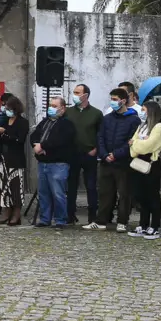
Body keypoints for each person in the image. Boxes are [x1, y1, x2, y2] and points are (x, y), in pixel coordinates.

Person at [96, 87, 140, 233]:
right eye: (111, 99)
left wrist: (116, 154)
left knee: (124, 193)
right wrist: (104, 154)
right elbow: (100, 137)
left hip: (123, 163)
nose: (112, 102)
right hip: (106, 161)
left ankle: (122, 221)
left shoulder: (133, 119)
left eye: (115, 100)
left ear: (123, 100)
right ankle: (101, 220)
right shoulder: (107, 118)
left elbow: (131, 141)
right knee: (105, 192)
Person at [30, 97, 77, 230]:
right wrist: (36, 146)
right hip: (43, 162)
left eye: (55, 106)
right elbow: (34, 135)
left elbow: (60, 141)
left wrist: (43, 146)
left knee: (58, 193)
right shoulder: (45, 121)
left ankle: (60, 220)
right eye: (50, 105)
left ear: (62, 109)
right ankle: (45, 219)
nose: (51, 108)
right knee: (44, 193)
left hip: (58, 164)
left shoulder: (67, 124)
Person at [66, 84, 104, 228]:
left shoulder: (96, 113)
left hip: (89, 154)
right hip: (72, 154)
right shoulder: (68, 112)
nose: (74, 95)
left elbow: (101, 134)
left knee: (91, 186)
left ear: (85, 95)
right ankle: (70, 215)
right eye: (74, 92)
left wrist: (96, 149)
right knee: (71, 186)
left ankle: (92, 217)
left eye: (78, 93)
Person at [128, 100, 161, 239]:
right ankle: (143, 224)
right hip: (138, 162)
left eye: (144, 109)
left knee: (152, 195)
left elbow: (148, 146)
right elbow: (131, 145)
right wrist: (137, 144)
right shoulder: (142, 126)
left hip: (151, 163)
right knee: (140, 195)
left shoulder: (159, 127)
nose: (142, 112)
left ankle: (154, 225)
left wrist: (136, 144)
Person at [0, 96, 29, 226]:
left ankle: (16, 214)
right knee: (3, 187)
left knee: (16, 187)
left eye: (8, 108)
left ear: (15, 108)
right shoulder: (4, 121)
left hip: (16, 160)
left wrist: (5, 133)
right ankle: (6, 211)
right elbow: (0, 139)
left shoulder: (23, 122)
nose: (6, 110)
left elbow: (19, 140)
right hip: (3, 158)